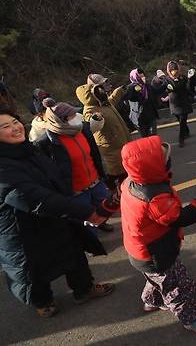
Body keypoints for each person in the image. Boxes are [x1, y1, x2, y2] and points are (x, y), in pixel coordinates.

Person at [0, 109, 114, 318]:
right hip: (20, 228)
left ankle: (84, 289)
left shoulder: (30, 149)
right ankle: (43, 301)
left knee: (73, 250)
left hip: (55, 214)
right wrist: (85, 211)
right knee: (31, 268)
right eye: (5, 127)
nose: (15, 128)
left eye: (15, 122)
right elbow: (33, 197)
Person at [120, 136, 196, 336]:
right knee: (178, 288)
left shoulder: (131, 182)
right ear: (151, 167)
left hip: (139, 251)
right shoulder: (154, 197)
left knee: (156, 279)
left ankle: (150, 301)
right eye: (164, 160)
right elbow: (182, 217)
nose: (169, 161)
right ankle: (191, 319)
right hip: (157, 254)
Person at [35, 98, 116, 232]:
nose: (76, 117)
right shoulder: (46, 143)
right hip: (76, 192)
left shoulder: (82, 130)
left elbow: (94, 154)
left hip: (96, 182)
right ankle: (93, 242)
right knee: (86, 222)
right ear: (61, 120)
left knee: (103, 210)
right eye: (72, 116)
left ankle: (101, 223)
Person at [76, 74, 131, 194]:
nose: (104, 87)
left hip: (120, 145)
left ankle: (118, 190)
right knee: (118, 173)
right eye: (101, 86)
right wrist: (96, 119)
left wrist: (119, 91)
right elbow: (90, 126)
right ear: (93, 90)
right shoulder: (90, 109)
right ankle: (117, 192)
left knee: (123, 171)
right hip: (111, 148)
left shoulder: (104, 102)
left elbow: (113, 100)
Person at [126, 68, 166, 138]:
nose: (143, 78)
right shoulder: (131, 88)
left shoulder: (147, 86)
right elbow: (131, 98)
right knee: (145, 137)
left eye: (143, 76)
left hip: (151, 114)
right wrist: (138, 89)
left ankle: (155, 148)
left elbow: (157, 91)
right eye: (140, 77)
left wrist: (165, 83)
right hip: (140, 118)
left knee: (153, 135)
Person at [163, 61, 193, 147]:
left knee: (183, 121)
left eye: (175, 69)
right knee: (181, 121)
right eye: (172, 70)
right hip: (174, 104)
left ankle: (181, 139)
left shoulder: (183, 78)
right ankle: (186, 132)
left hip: (184, 102)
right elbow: (163, 88)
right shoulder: (166, 80)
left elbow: (186, 88)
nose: (174, 71)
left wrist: (190, 79)